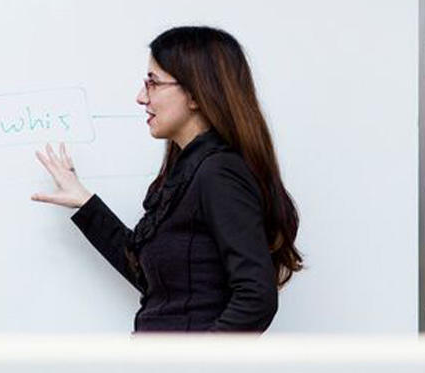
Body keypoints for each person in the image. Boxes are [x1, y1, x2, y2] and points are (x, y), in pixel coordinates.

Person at [32, 26, 304, 334]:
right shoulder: (188, 173)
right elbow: (153, 283)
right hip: (160, 370)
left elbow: (257, 297)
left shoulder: (218, 173)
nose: (140, 97)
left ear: (196, 94)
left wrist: (192, 366)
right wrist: (86, 204)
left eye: (153, 83)